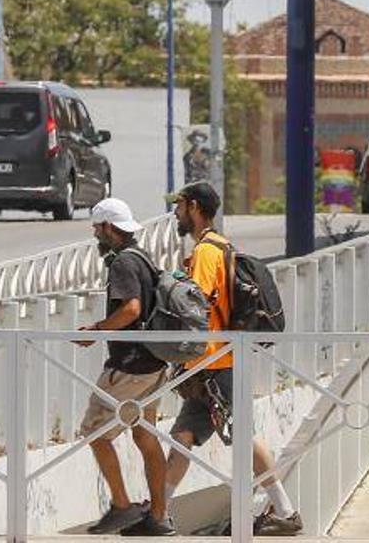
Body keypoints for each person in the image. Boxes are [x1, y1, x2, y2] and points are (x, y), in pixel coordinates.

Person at [165, 182, 303, 537]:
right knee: (183, 434)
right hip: (211, 362)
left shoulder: (208, 252)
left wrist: (181, 349)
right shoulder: (221, 246)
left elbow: (195, 305)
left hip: (215, 363)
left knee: (244, 434)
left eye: (179, 206)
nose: (176, 213)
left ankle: (286, 510)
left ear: (194, 207)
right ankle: (158, 509)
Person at [76, 198, 175, 536]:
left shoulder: (122, 263)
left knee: (94, 431)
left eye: (96, 227)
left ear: (108, 228)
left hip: (130, 366)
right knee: (145, 435)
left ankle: (121, 505)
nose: (94, 233)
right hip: (154, 362)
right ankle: (158, 516)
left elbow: (131, 309)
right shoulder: (145, 258)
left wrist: (97, 330)